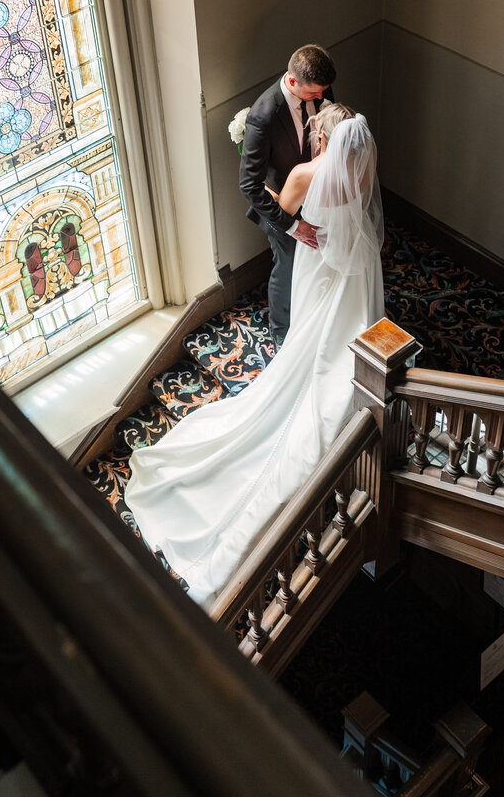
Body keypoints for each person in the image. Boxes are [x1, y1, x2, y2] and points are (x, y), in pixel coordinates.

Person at [125, 105, 385, 607]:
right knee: (348, 332)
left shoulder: (308, 173)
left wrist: (265, 185)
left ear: (322, 136)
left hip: (318, 264)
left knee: (309, 340)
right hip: (356, 265)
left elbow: (283, 209)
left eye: (313, 132)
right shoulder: (364, 166)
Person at [239, 44, 336, 348]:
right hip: (282, 206)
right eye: (314, 93)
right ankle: (281, 331)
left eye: (324, 92)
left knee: (319, 260)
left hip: (317, 196)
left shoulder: (321, 92)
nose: (321, 98)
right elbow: (249, 185)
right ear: (293, 82)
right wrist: (293, 226)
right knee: (288, 265)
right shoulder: (263, 115)